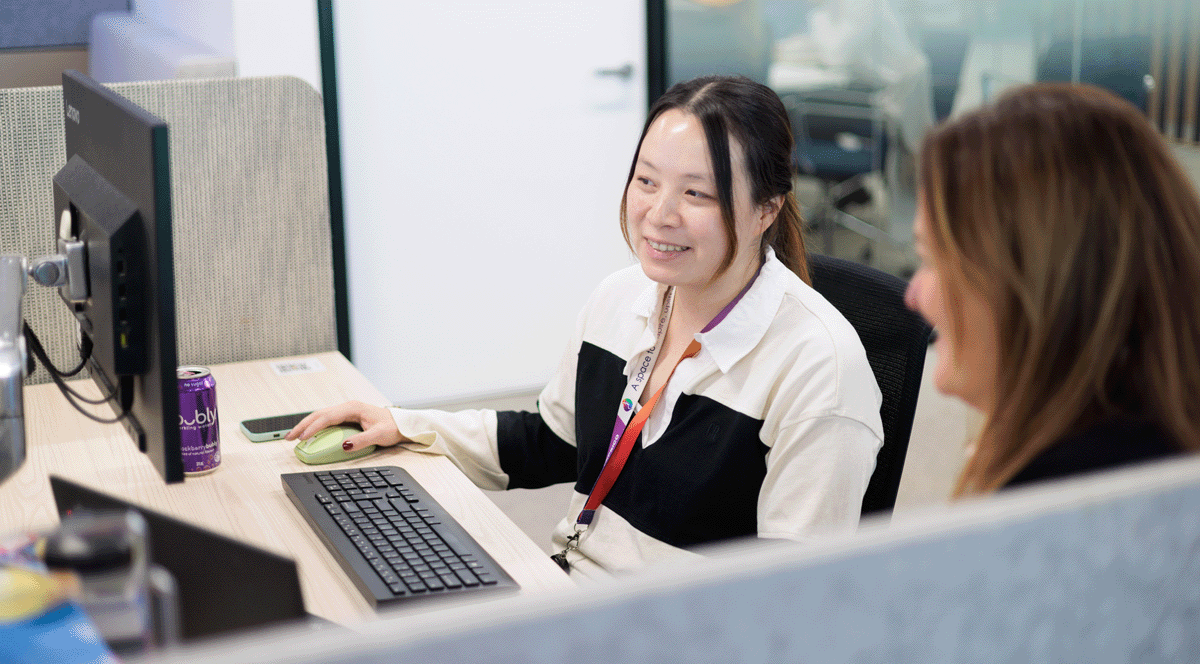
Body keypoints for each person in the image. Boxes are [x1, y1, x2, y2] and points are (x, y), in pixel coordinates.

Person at [288, 75, 883, 578]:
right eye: (647, 181)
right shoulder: (623, 299)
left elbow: (796, 601)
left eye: (696, 193)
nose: (658, 213)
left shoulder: (818, 367)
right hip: (567, 595)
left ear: (766, 210)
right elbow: (554, 441)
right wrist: (405, 425)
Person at [904, 82, 1200, 497]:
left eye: (932, 260)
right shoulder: (1151, 451)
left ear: (1024, 285)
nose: (911, 295)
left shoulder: (1059, 507)